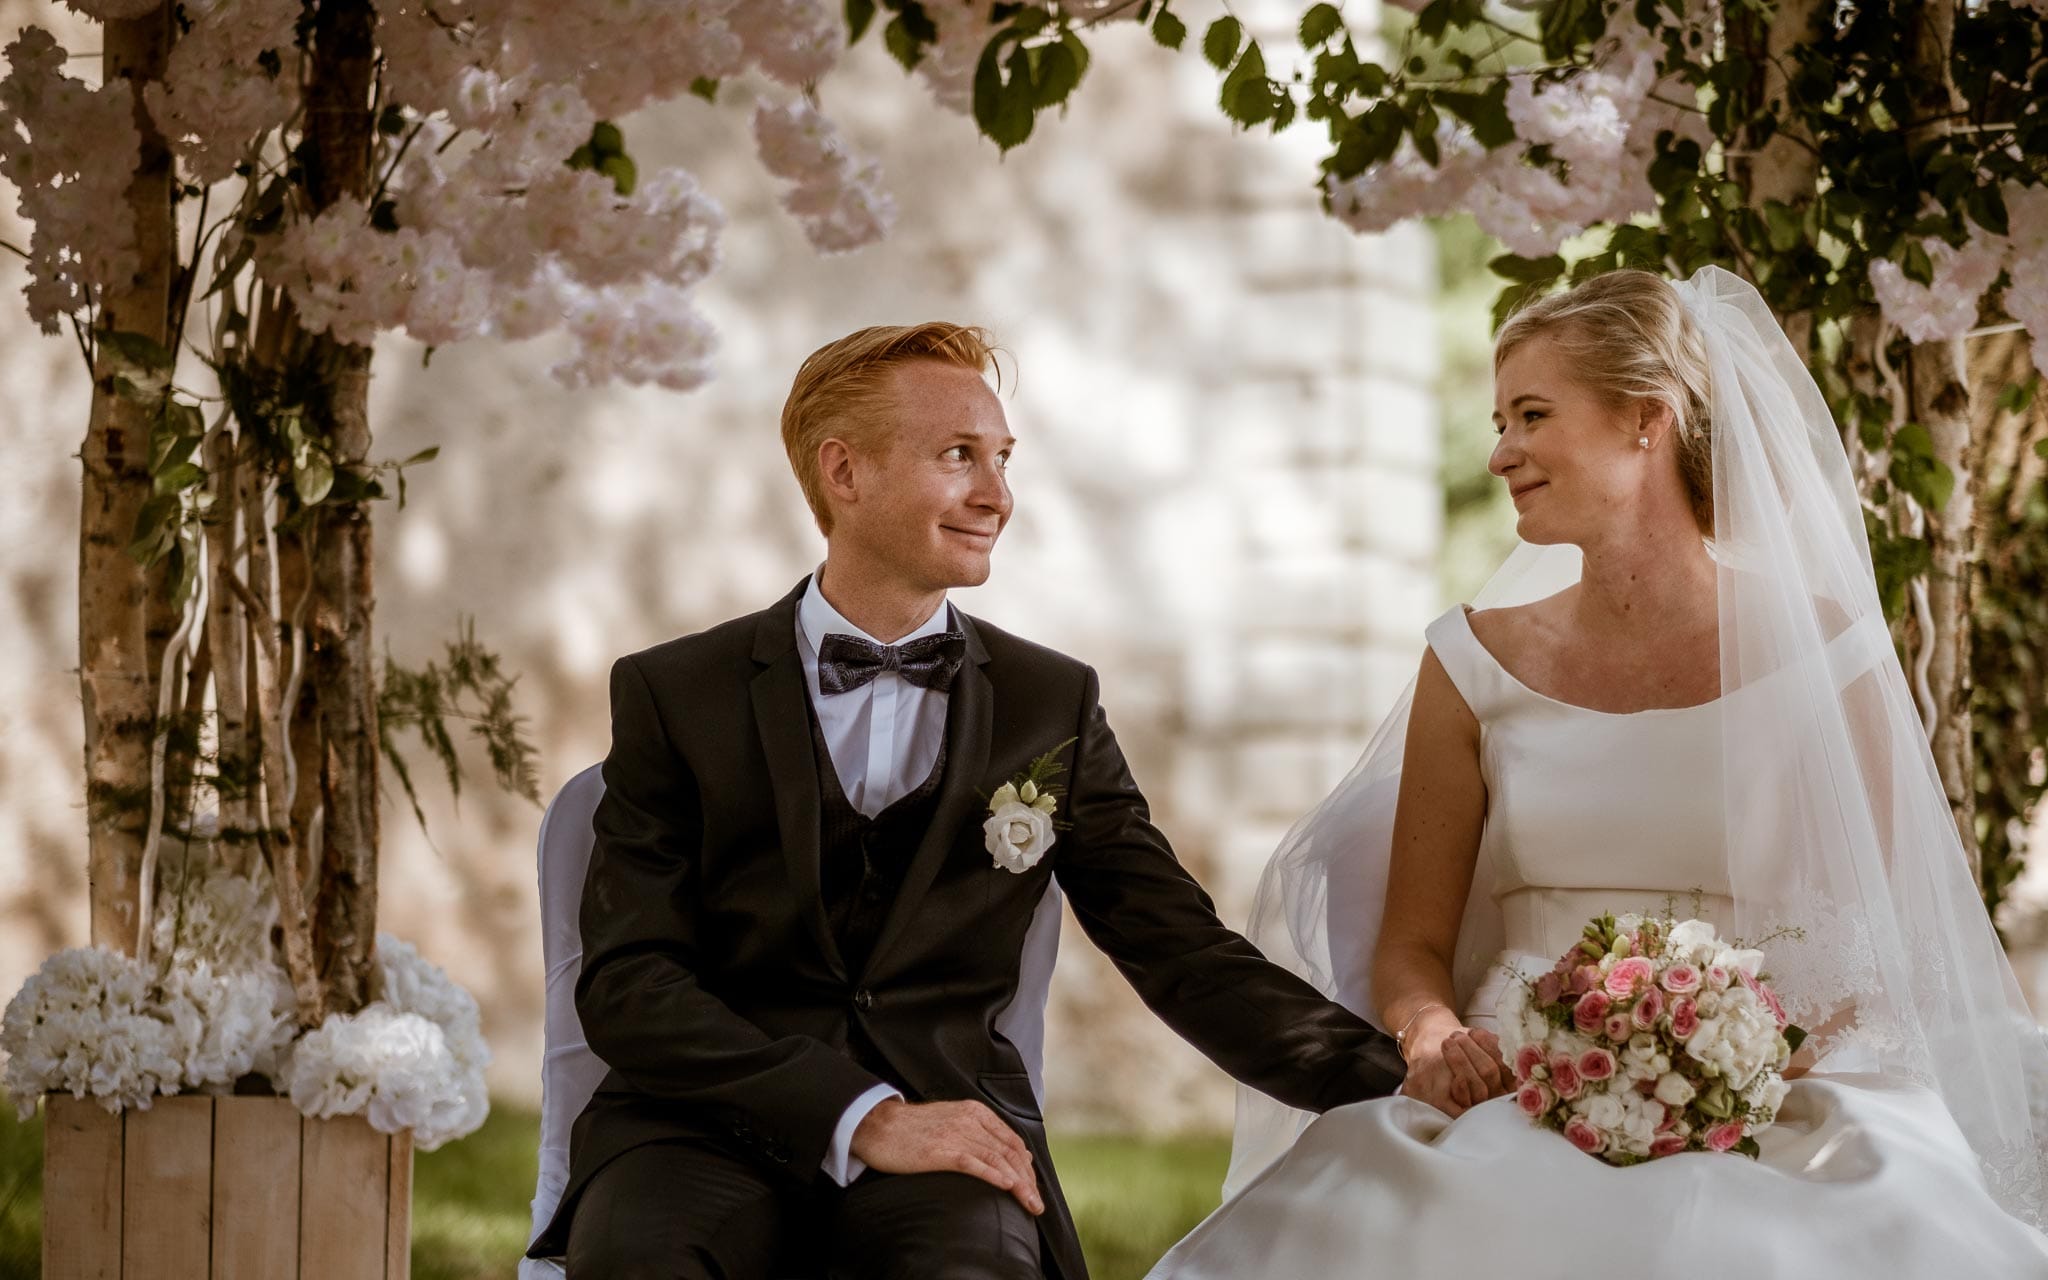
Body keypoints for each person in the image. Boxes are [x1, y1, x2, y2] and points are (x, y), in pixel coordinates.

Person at [1147, 267, 2048, 1278]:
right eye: (1497, 420)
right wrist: (1433, 1033)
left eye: (1531, 415)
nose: (1498, 453)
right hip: (1512, 1091)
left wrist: (1728, 1063)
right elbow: (1411, 943)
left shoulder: (1823, 654)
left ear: (1643, 420)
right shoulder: (1467, 660)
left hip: (1768, 1084)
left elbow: (1877, 943)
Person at [523, 321, 1406, 1280]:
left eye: (1001, 460)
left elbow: (1178, 947)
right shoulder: (675, 691)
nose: (997, 496)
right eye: (958, 457)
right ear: (843, 474)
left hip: (953, 1134)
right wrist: (862, 1118)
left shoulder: (1048, 704)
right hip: (697, 1130)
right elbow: (629, 986)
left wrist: (1397, 1082)